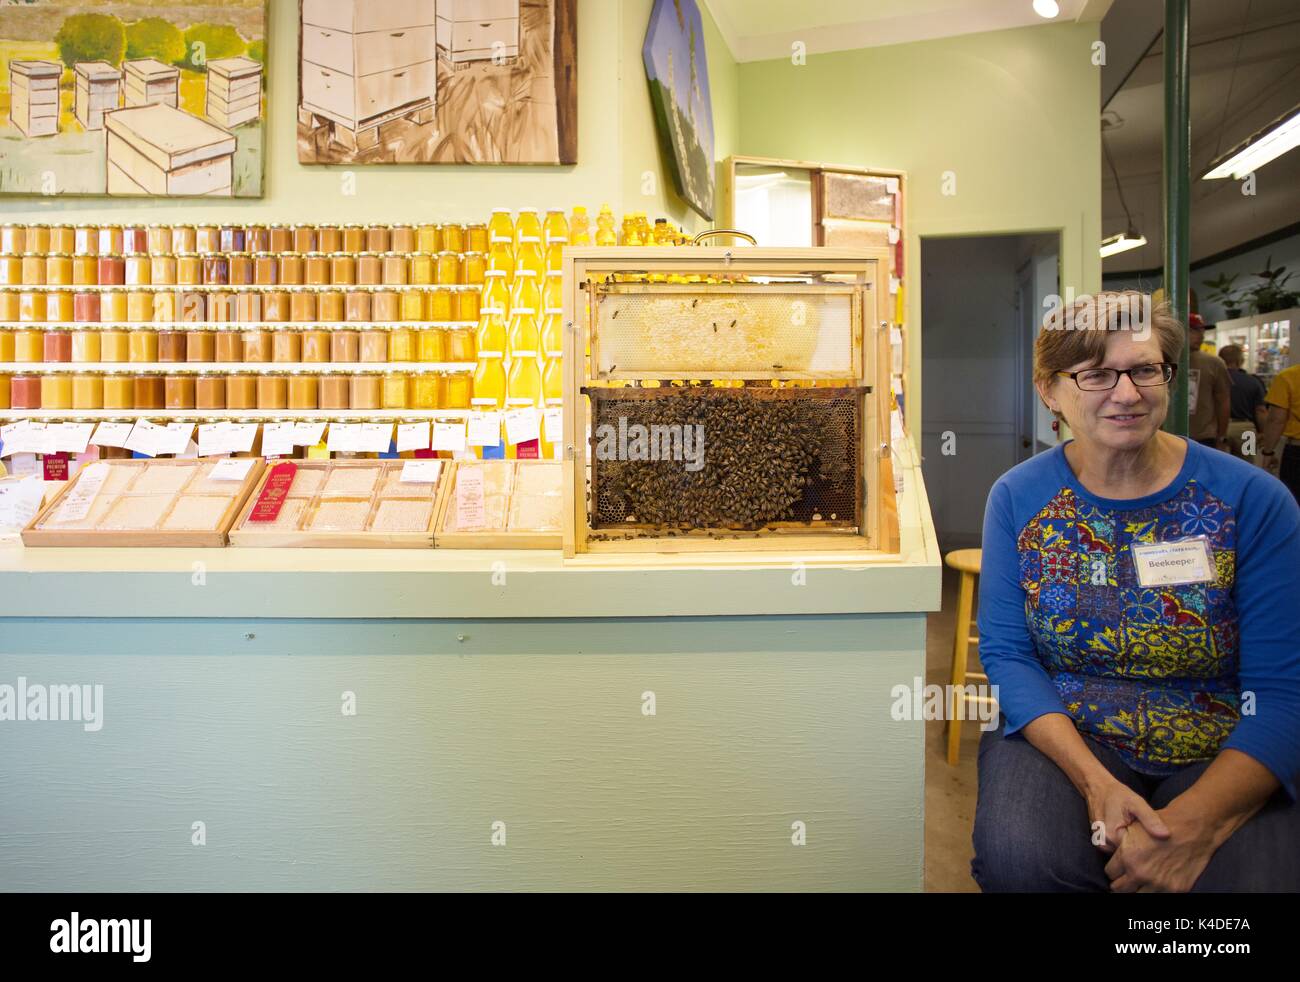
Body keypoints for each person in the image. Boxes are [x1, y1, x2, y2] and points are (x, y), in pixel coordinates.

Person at [971, 291, 1300, 892]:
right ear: (1050, 391)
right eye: (1096, 374)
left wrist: (1195, 828)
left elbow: (1283, 689)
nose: (1126, 394)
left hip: (1219, 735)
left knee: (1257, 881)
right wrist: (1096, 782)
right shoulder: (1018, 497)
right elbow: (1008, 654)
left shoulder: (1252, 501)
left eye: (1145, 369)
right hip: (1068, 729)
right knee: (1022, 859)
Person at [1188, 314, 1230, 451]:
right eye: (1194, 330)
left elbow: (1222, 400)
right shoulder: (1163, 359)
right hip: (1168, 435)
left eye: (1202, 331)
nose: (1201, 335)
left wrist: (1221, 436)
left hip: (1204, 437)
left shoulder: (1214, 363)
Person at [1218, 344, 1267, 460]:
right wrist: (1263, 432)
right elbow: (1261, 411)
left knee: (1219, 463)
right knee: (1247, 463)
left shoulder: (1215, 379)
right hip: (1247, 430)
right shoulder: (1253, 381)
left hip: (1219, 428)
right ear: (1240, 360)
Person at [1261, 363, 1300, 504]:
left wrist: (1268, 453)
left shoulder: (1288, 377)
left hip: (1297, 451)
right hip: (1247, 430)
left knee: (1294, 503)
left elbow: (1276, 419)